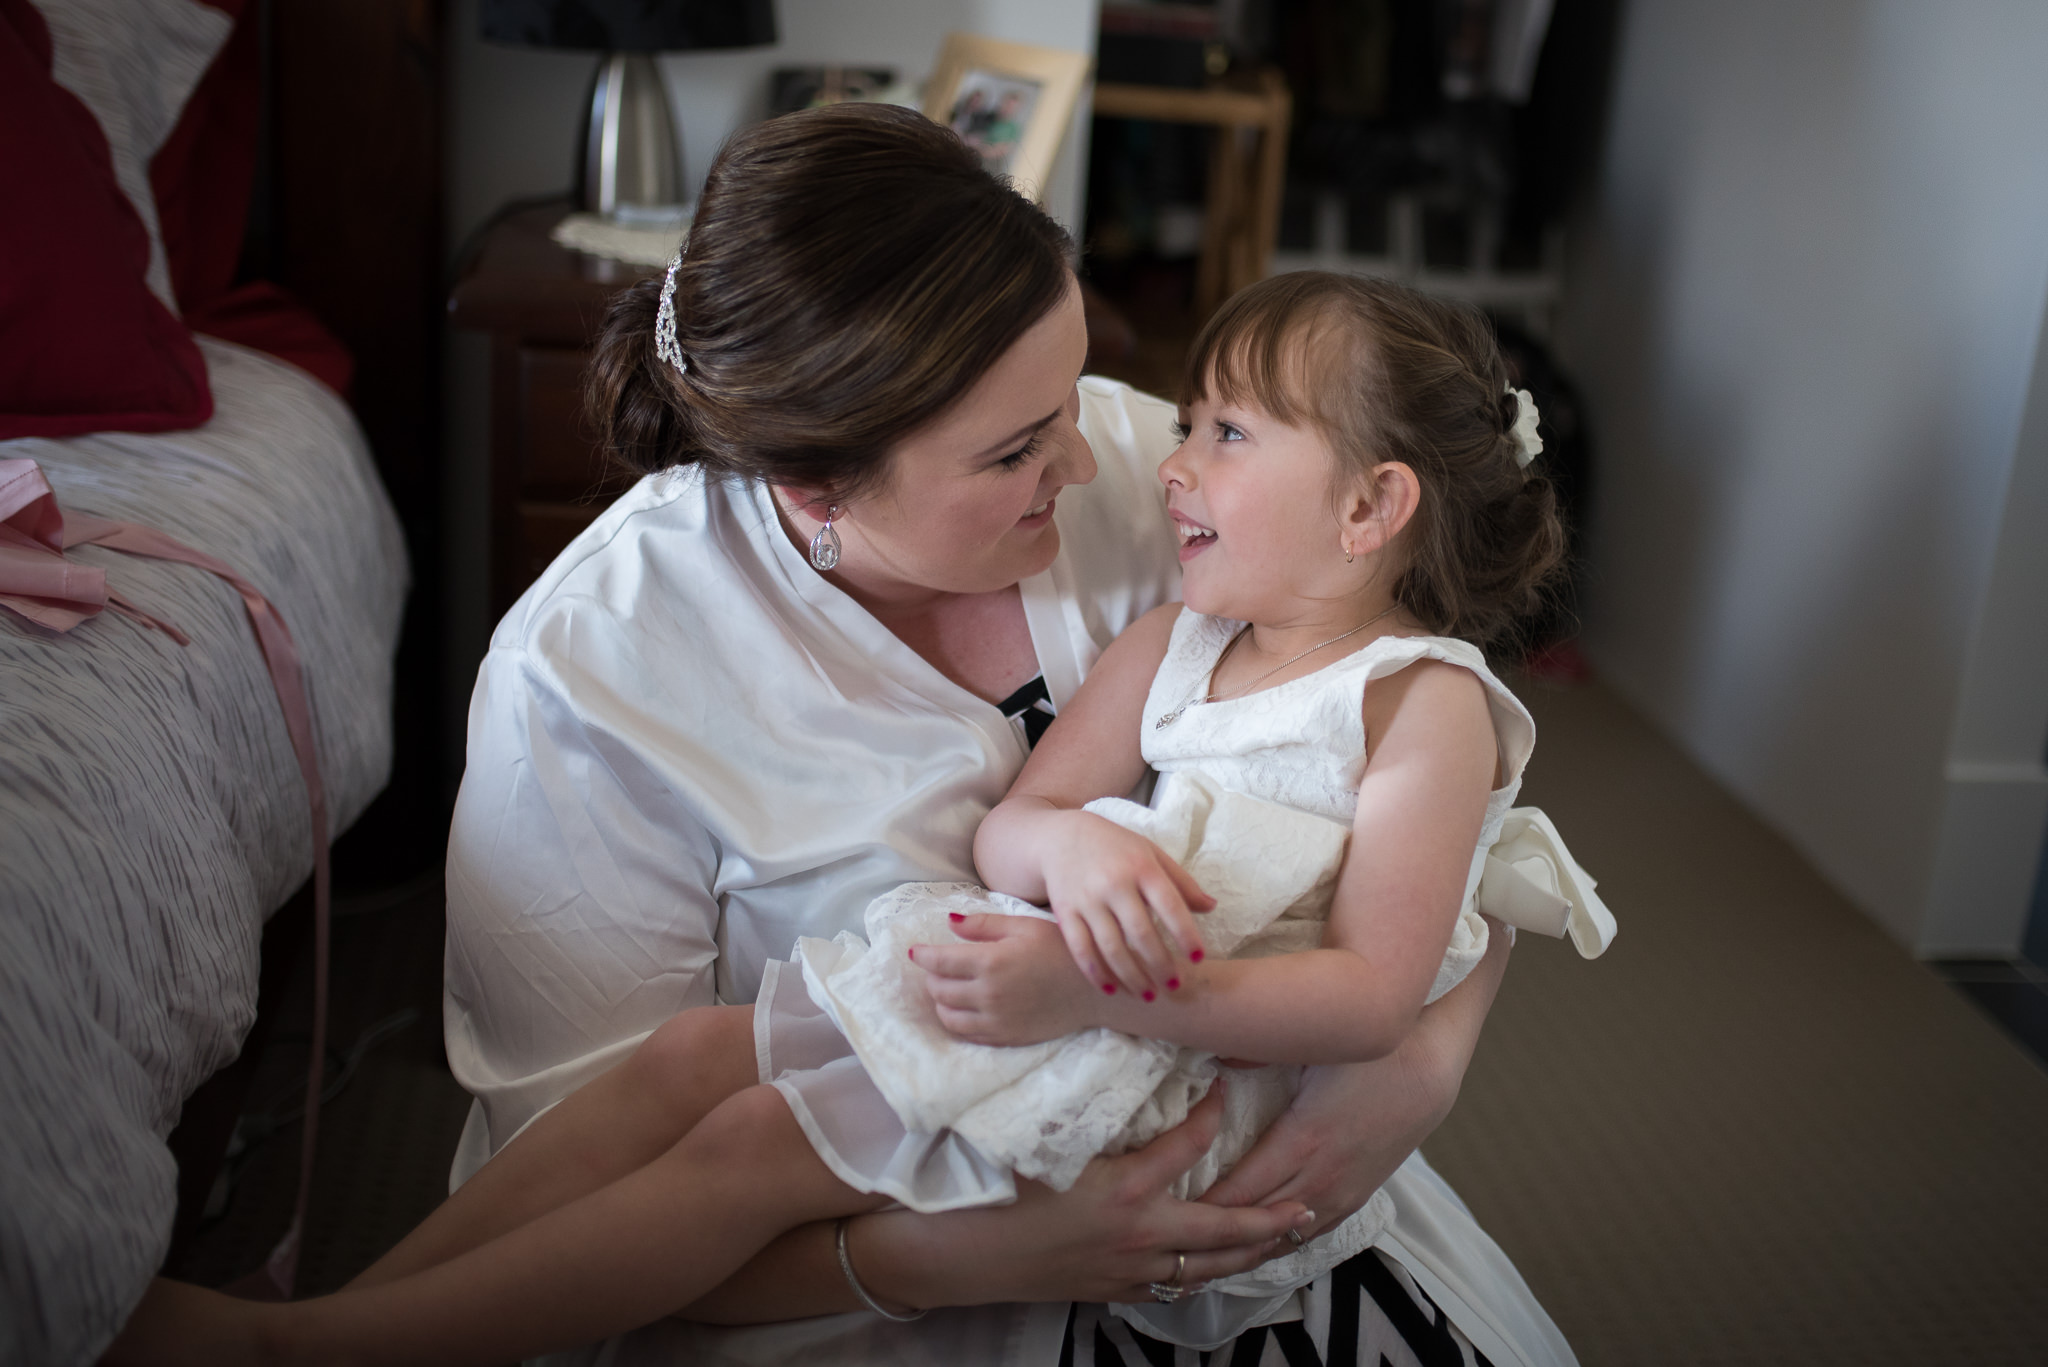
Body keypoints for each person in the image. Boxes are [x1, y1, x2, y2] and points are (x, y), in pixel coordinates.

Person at [112, 103, 1577, 1367]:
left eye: (1072, 402)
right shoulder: (596, 670)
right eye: (1015, 451)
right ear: (809, 491)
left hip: (1208, 1114)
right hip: (851, 1239)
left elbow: (1418, 768)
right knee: (705, 1083)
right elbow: (601, 1173)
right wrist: (959, 1257)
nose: (1097, 458)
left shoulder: (1157, 473)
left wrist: (1428, 1055)